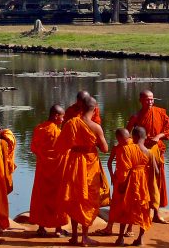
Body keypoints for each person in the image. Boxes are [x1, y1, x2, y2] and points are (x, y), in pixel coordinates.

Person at [55, 97, 109, 246]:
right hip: (90, 163)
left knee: (74, 198)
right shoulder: (96, 127)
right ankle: (84, 237)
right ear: (95, 109)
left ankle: (74, 236)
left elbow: (60, 147)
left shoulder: (71, 123)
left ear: (81, 107)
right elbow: (105, 149)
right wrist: (93, 143)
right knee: (88, 199)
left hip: (74, 162)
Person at [126, 89, 169, 224]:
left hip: (156, 150)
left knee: (157, 181)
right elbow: (126, 133)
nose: (150, 101)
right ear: (141, 100)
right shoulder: (136, 116)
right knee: (141, 182)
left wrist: (158, 136)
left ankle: (156, 213)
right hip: (141, 153)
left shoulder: (160, 113)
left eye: (152, 99)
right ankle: (139, 213)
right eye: (147, 99)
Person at [29, 104, 69, 237]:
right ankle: (58, 229)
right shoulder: (58, 133)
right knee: (58, 197)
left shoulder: (39, 129)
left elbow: (34, 148)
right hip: (57, 171)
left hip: (43, 170)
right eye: (62, 117)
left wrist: (44, 157)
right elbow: (65, 150)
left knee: (41, 197)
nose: (63, 119)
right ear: (56, 116)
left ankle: (41, 228)